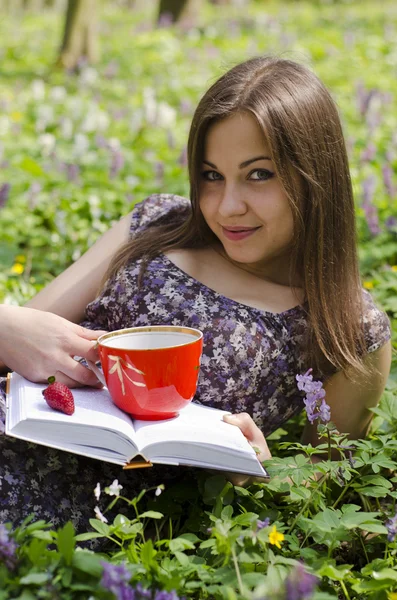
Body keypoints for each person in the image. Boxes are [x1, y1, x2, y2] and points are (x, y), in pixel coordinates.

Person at [0, 56, 391, 528]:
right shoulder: (157, 223)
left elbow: (328, 486)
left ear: (314, 177)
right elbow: (20, 336)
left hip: (98, 526)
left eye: (259, 174)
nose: (227, 206)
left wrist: (260, 473)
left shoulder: (350, 325)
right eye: (211, 175)